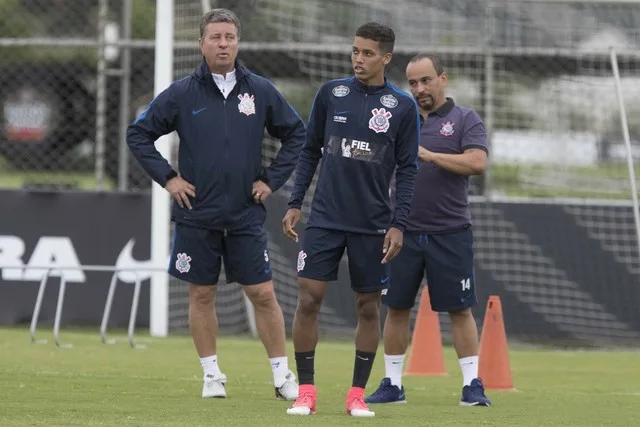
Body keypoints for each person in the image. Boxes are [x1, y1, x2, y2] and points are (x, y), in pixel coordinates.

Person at [126, 8, 304, 401]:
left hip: (244, 214)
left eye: (229, 37)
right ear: (202, 43)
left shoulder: (260, 90)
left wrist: (271, 180)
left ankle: (281, 377)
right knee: (201, 296)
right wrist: (169, 178)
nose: (223, 44)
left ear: (237, 42)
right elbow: (138, 135)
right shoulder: (181, 93)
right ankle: (212, 376)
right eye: (215, 37)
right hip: (197, 214)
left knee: (263, 294)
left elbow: (297, 135)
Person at [282, 22, 420, 417]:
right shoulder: (331, 94)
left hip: (373, 222)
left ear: (386, 58)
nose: (359, 59)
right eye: (355, 51)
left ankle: (356, 395)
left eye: (368, 53)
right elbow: (310, 151)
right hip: (325, 216)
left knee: (367, 307)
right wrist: (295, 202)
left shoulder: (402, 107)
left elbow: (409, 170)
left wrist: (399, 223)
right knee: (309, 296)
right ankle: (306, 391)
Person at [365, 54, 491, 407]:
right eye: (413, 83)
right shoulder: (397, 119)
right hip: (401, 233)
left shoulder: (465, 119)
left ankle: (471, 385)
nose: (419, 88)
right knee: (396, 307)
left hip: (450, 232)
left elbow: (477, 162)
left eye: (425, 80)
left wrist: (431, 155)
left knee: (460, 309)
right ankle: (392, 383)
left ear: (442, 79)